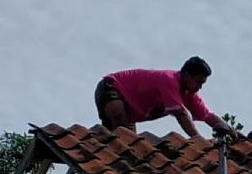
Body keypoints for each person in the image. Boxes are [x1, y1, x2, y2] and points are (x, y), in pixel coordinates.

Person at [94, 56, 240, 139]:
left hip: (128, 110)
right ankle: (93, 139)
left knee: (128, 145)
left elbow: (208, 115)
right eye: (199, 82)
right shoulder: (169, 80)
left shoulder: (189, 95)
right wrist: (198, 140)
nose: (200, 87)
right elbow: (181, 114)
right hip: (111, 89)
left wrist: (229, 130)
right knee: (121, 129)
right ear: (187, 75)